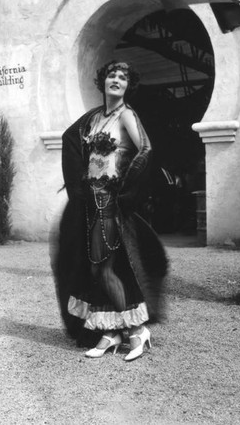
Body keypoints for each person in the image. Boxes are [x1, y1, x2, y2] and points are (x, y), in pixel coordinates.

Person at [51, 61, 168, 361]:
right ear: (102, 82)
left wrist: (126, 191)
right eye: (112, 76)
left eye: (123, 78)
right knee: (96, 268)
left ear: (129, 86)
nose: (116, 80)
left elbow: (146, 150)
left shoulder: (126, 114)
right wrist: (79, 186)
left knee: (102, 267)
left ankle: (137, 330)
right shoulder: (95, 119)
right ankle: (112, 331)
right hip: (91, 202)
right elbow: (73, 142)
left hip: (109, 202)